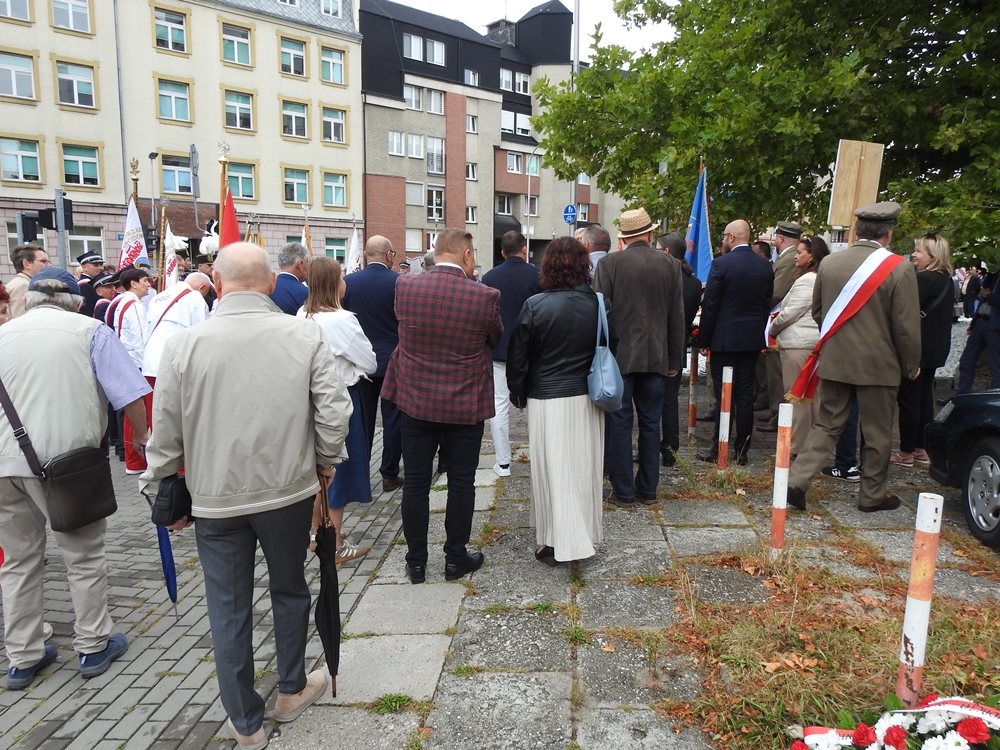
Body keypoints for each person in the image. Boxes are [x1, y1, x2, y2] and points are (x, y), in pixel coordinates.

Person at [140, 243, 352, 748]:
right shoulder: (303, 334)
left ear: (216, 281)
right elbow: (333, 411)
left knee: (227, 605)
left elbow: (164, 430)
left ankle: (245, 721)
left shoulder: (183, 345)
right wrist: (325, 460)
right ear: (272, 284)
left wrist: (159, 489)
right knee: (290, 588)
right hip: (287, 490)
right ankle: (291, 688)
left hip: (214, 497)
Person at [1, 268, 150, 690]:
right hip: (68, 463)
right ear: (77, 302)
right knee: (82, 557)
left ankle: (23, 656)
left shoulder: (3, 334)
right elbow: (130, 394)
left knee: (18, 562)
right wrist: (141, 438)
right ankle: (92, 644)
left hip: (4, 465)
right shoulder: (91, 332)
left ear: (28, 300)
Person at [382, 229, 502, 584]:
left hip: (416, 401)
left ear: (435, 252)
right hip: (465, 404)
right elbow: (495, 338)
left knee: (416, 483)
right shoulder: (485, 295)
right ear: (466, 255)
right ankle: (455, 559)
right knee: (462, 483)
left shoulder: (405, 287)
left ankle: (417, 563)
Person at [786, 202, 921, 512]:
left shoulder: (830, 264)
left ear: (856, 231)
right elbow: (906, 328)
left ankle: (797, 480)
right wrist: (910, 364)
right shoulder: (899, 268)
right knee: (877, 433)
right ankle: (871, 496)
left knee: (826, 425)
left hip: (835, 359)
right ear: (889, 233)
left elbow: (819, 312)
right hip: (879, 365)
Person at [507, 237, 605, 564]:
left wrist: (517, 392)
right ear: (583, 264)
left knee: (551, 470)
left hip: (546, 398)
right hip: (588, 397)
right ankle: (581, 534)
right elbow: (611, 345)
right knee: (583, 468)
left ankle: (553, 540)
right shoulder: (599, 304)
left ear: (547, 265)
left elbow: (518, 357)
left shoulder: (535, 305)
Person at [593, 208, 684, 506]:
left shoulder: (609, 263)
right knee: (650, 423)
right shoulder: (670, 265)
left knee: (620, 425)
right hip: (657, 357)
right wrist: (674, 360)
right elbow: (676, 317)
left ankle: (623, 491)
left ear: (624, 238)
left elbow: (600, 314)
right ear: (649, 233)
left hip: (619, 358)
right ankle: (648, 489)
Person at [299, 257, 378, 563]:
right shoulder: (342, 320)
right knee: (340, 468)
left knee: (317, 468)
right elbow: (369, 362)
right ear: (334, 284)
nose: (345, 282)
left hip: (310, 399)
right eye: (342, 277)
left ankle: (317, 532)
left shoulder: (302, 314)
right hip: (341, 397)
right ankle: (333, 545)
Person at [696, 219, 774, 465]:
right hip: (750, 340)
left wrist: (704, 340)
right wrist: (758, 333)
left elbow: (711, 305)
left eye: (723, 236)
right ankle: (742, 451)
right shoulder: (764, 266)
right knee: (745, 395)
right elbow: (766, 305)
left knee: (724, 395)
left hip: (724, 339)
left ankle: (719, 448)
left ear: (731, 237)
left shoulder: (721, 264)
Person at [342, 237, 404, 493]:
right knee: (393, 421)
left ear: (366, 255)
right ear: (389, 255)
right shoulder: (399, 282)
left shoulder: (348, 282)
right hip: (393, 361)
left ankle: (361, 475)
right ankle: (389, 473)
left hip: (360, 364)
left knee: (361, 421)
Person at [481, 231, 543, 477]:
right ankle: (541, 458)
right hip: (532, 351)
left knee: (499, 406)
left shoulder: (489, 277)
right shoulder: (539, 276)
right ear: (524, 249)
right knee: (537, 406)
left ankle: (503, 462)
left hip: (500, 350)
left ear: (502, 252)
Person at [891, 234, 954, 467]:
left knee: (909, 399)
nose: (913, 255)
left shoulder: (923, 280)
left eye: (919, 251)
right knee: (925, 397)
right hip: (936, 347)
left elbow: (904, 312)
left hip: (918, 347)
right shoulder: (945, 279)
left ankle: (905, 452)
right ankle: (920, 448)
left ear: (932, 256)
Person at [769, 235, 830, 456]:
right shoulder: (817, 278)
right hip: (807, 343)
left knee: (797, 396)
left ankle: (795, 446)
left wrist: (772, 328)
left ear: (812, 256)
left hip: (799, 345)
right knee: (809, 397)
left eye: (800, 252)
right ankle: (810, 446)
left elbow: (790, 313)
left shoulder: (807, 281)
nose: (796, 256)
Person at [656, 232, 702, 465]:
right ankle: (670, 450)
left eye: (657, 249)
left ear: (666, 252)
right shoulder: (693, 283)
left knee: (650, 401)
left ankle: (650, 448)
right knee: (670, 402)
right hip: (677, 346)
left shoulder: (661, 279)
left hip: (657, 347)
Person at [758, 221, 804, 433]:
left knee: (778, 373)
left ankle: (779, 414)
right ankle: (774, 410)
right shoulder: (786, 258)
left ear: (781, 238)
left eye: (776, 237)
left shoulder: (789, 260)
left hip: (780, 318)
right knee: (773, 371)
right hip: (776, 318)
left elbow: (776, 292)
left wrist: (758, 306)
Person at [111, 268, 151, 474]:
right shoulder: (134, 305)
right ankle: (137, 460)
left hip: (126, 362)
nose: (148, 284)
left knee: (130, 414)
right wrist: (146, 368)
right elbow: (140, 339)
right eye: (144, 280)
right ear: (133, 283)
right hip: (136, 364)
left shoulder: (121, 302)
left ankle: (133, 461)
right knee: (137, 415)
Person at [955, 267, 1000, 395]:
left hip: (995, 326)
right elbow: (982, 300)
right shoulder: (994, 275)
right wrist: (974, 323)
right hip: (981, 322)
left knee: (996, 366)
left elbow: (987, 296)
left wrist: (989, 296)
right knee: (967, 361)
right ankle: (962, 396)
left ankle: (994, 399)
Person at [6, 245, 51, 318]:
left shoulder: (18, 283)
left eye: (48, 262)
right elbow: (22, 319)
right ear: (27, 264)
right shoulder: (24, 286)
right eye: (43, 261)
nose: (49, 265)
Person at [270, 242, 310, 315]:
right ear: (300, 264)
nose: (308, 268)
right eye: (307, 264)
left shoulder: (268, 287)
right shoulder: (306, 293)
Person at [75, 252, 105, 318]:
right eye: (96, 265)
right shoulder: (85, 286)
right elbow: (87, 313)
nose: (101, 268)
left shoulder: (92, 283)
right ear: (84, 267)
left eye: (101, 265)